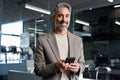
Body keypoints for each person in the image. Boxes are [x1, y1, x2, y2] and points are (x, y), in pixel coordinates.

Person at [34, 2, 85, 80]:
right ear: (53, 18)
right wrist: (56, 66)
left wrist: (78, 68)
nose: (64, 20)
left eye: (67, 16)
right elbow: (38, 69)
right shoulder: (42, 41)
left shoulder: (77, 40)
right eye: (60, 16)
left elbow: (82, 64)